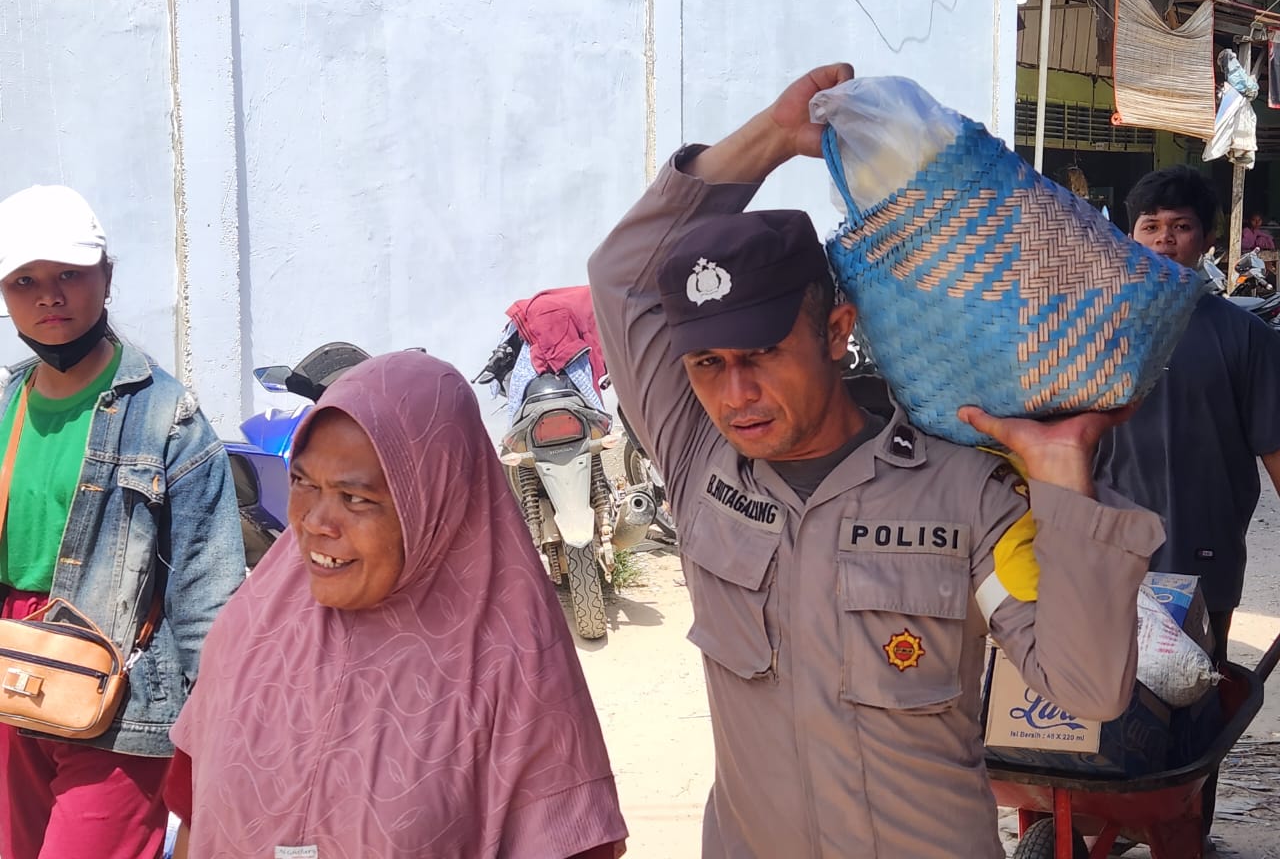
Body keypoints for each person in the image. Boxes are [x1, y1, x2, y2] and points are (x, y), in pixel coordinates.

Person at [587, 63, 1165, 858]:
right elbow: (620, 276)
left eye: (761, 354)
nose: (737, 393)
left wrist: (1062, 471)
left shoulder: (965, 492)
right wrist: (775, 137)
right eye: (707, 366)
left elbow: (1087, 689)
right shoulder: (697, 461)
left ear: (834, 331)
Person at [165, 351, 628, 858]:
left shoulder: (513, 669)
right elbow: (194, 814)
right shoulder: (253, 626)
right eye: (304, 483)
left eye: (356, 498)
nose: (317, 521)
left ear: (434, 499)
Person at [0, 184, 245, 859]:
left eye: (70, 275)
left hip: (119, 691)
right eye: (26, 280)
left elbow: (207, 590)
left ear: (106, 276)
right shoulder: (5, 404)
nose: (50, 295)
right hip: (11, 674)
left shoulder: (169, 417)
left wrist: (216, 727)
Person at [1096, 165, 1280, 851]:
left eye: (1181, 228)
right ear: (1130, 235)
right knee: (1096, 698)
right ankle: (1107, 820)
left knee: (1194, 707)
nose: (1165, 240)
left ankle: (1182, 831)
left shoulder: (1246, 339)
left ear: (1204, 241)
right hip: (1104, 558)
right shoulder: (1096, 332)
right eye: (1151, 227)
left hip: (1201, 562)